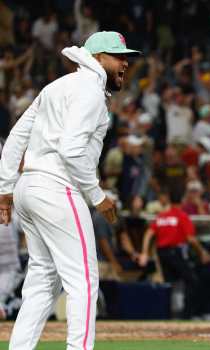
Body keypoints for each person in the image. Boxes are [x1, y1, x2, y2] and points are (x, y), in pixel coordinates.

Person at [0, 31, 140, 350]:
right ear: (98, 58)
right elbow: (71, 151)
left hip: (29, 188)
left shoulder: (57, 86)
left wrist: (6, 188)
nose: (125, 63)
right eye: (119, 56)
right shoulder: (89, 89)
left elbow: (16, 136)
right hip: (57, 189)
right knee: (84, 282)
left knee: (42, 281)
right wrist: (98, 196)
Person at [138, 188, 210, 319]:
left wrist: (144, 252)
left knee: (169, 284)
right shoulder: (182, 216)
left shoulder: (161, 216)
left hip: (162, 254)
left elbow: (149, 234)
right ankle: (186, 316)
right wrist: (202, 253)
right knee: (192, 281)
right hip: (175, 252)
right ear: (182, 200)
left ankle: (167, 316)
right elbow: (191, 239)